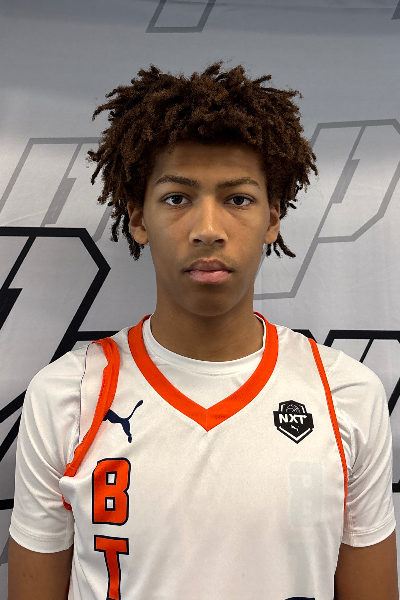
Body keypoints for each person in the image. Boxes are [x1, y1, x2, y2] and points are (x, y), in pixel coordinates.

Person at [8, 61, 399, 600]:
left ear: (273, 218)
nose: (208, 230)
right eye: (177, 198)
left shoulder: (347, 394)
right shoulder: (65, 397)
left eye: (238, 199)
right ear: (138, 218)